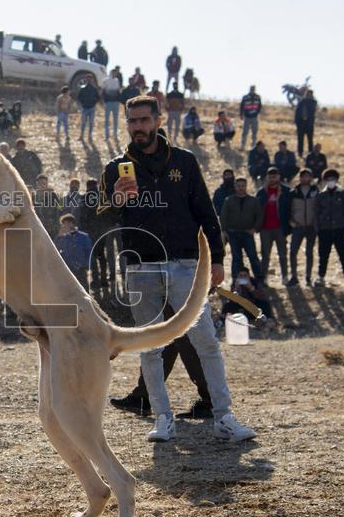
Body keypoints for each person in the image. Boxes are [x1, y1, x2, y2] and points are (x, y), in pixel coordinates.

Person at [101, 95, 254, 442]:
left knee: (206, 342)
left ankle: (224, 416)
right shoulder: (115, 168)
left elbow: (205, 212)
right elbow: (102, 219)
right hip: (141, 269)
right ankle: (162, 418)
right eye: (132, 121)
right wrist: (116, 201)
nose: (137, 127)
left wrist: (217, 259)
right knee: (150, 348)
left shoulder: (184, 162)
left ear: (158, 120)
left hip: (186, 266)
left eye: (143, 120)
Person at [314, 169, 344, 287]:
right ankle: (321, 277)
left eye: (333, 179)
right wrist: (318, 228)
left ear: (337, 180)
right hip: (325, 229)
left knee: (343, 254)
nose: (331, 181)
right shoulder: (321, 195)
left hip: (339, 229)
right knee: (323, 254)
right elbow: (316, 213)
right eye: (328, 179)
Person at [220, 178, 263, 281]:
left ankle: (260, 279)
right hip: (233, 234)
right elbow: (223, 216)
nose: (240, 188)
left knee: (253, 257)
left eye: (242, 186)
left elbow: (260, 216)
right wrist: (225, 230)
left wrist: (255, 228)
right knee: (236, 258)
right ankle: (236, 280)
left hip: (248, 233)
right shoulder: (229, 200)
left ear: (246, 186)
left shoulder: (253, 201)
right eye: (238, 186)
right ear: (235, 186)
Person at [256, 168, 291, 284]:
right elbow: (256, 211)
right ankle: (264, 278)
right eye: (270, 177)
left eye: (275, 176)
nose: (272, 179)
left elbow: (289, 209)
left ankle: (284, 277)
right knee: (265, 255)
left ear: (279, 177)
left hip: (280, 228)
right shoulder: (261, 192)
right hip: (265, 228)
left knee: (282, 254)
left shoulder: (286, 191)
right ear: (267, 177)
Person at [287, 169, 318, 286]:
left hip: (311, 227)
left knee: (309, 253)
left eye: (307, 176)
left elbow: (318, 209)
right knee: (293, 252)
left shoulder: (315, 191)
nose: (305, 179)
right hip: (298, 227)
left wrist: (315, 223)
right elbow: (288, 209)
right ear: (300, 178)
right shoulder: (294, 192)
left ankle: (308, 277)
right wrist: (291, 222)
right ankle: (294, 276)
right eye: (303, 176)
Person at [54, 213, 92, 290]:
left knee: (84, 290)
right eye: (63, 224)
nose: (64, 226)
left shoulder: (84, 236)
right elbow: (55, 250)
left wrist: (86, 265)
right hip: (67, 270)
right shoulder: (61, 238)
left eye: (66, 223)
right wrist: (59, 237)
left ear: (72, 223)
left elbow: (89, 252)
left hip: (80, 269)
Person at [101, 68, 122, 140]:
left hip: (116, 102)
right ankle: (107, 135)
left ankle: (115, 135)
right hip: (108, 102)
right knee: (107, 120)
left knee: (115, 120)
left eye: (116, 73)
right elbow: (103, 92)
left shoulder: (117, 80)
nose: (115, 74)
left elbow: (118, 91)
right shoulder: (105, 81)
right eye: (114, 73)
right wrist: (104, 101)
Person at [295, 89, 317, 157]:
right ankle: (300, 153)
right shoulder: (301, 102)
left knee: (310, 140)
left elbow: (312, 111)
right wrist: (298, 122)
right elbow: (297, 113)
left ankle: (310, 153)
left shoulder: (313, 102)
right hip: (301, 124)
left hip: (309, 124)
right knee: (300, 140)